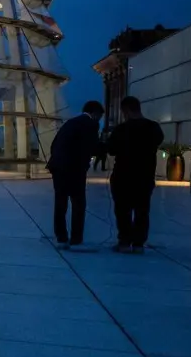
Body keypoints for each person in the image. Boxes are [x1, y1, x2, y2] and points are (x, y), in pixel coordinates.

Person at [106, 96, 164, 253]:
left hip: (123, 176)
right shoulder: (153, 128)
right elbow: (158, 142)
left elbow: (111, 149)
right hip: (145, 176)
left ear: (125, 110)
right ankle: (138, 243)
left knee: (123, 211)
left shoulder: (121, 130)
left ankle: (124, 242)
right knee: (142, 211)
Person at [47, 101, 105, 247]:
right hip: (74, 169)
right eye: (99, 116)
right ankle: (76, 238)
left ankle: (61, 237)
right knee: (78, 203)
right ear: (95, 113)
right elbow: (93, 147)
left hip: (58, 167)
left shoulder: (70, 123)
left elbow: (54, 144)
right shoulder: (91, 124)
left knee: (60, 202)